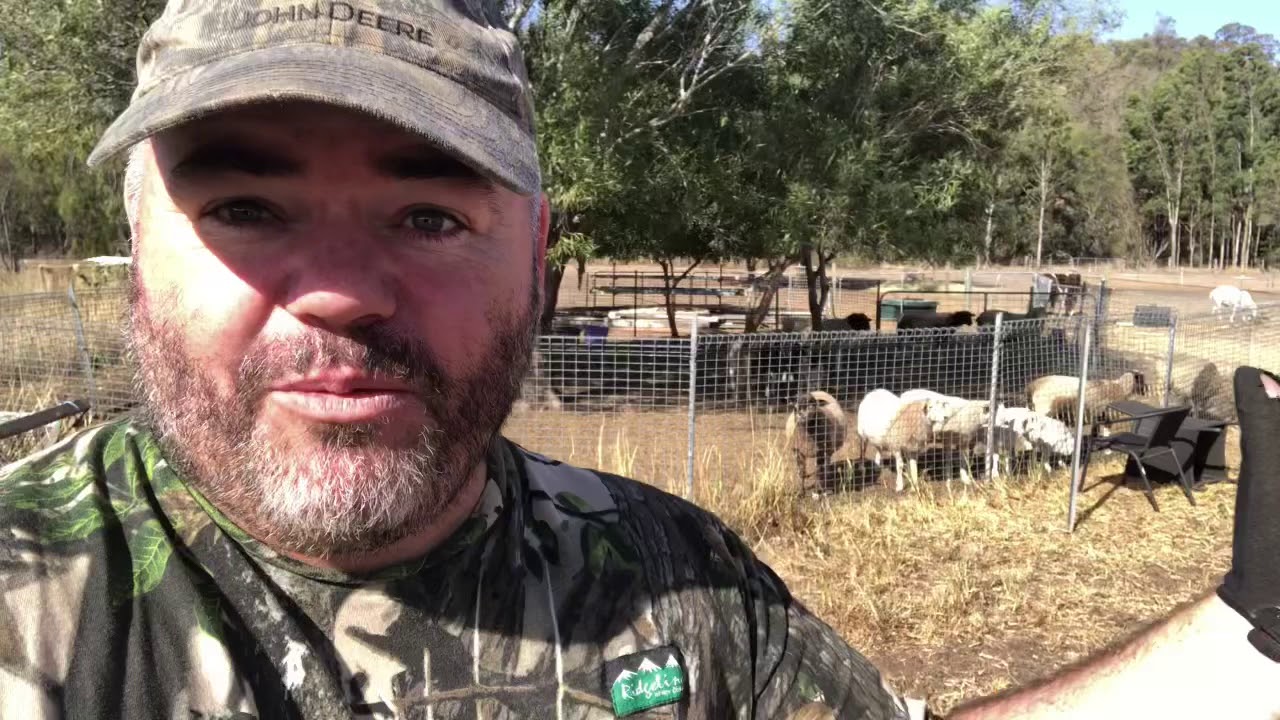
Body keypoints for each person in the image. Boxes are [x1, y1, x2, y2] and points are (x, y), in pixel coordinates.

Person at [0, 2, 1276, 718]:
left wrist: (1245, 639)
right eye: (244, 209)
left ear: (539, 258)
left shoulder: (679, 584)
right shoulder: (32, 599)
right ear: (135, 243)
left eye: (432, 216)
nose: (337, 292)